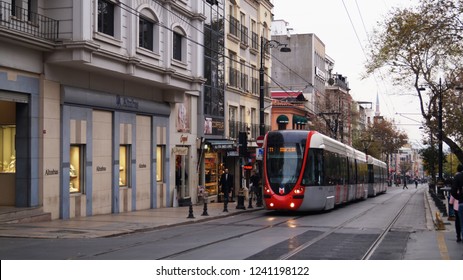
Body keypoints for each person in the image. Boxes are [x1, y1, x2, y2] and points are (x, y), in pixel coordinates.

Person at [451, 163, 463, 242]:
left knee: (459, 220)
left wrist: (458, 197)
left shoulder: (457, 176)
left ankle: (459, 236)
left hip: (460, 202)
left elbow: (453, 191)